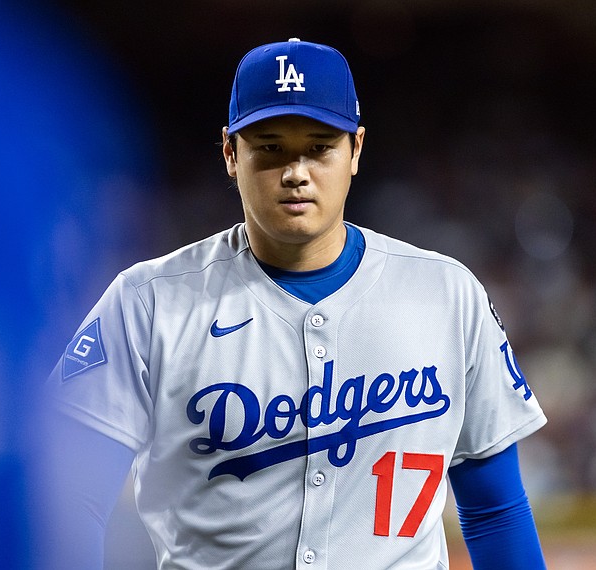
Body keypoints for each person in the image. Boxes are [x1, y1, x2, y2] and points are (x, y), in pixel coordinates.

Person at [41, 38, 548, 569]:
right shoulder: (146, 303)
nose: (296, 172)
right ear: (230, 153)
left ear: (356, 150)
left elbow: (496, 510)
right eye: (270, 147)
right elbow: (65, 502)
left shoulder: (447, 295)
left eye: (319, 146)